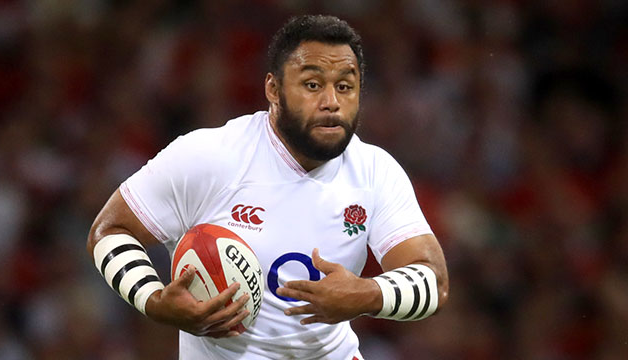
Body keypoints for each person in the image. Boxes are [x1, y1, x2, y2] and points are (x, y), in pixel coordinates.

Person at [87, 14, 449, 360]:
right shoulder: (210, 156)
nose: (331, 103)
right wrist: (154, 300)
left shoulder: (375, 171)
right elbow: (109, 231)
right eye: (312, 84)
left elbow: (434, 281)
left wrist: (371, 293)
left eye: (345, 86)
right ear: (273, 89)